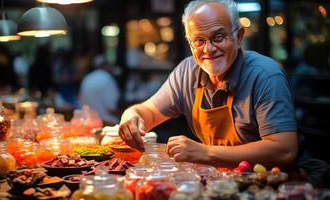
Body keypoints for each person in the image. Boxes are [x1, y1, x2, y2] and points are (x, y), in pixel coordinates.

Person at [119, 0, 317, 179]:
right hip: (228, 180)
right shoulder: (187, 71)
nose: (208, 49)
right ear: (190, 43)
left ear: (238, 36)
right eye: (199, 40)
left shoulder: (264, 75)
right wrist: (131, 116)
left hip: (283, 182)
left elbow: (284, 150)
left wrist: (204, 152)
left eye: (218, 37)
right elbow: (149, 111)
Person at [79, 54, 121, 124]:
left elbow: (80, 101)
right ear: (106, 65)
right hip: (106, 123)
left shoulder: (88, 77)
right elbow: (112, 108)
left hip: (87, 121)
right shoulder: (107, 78)